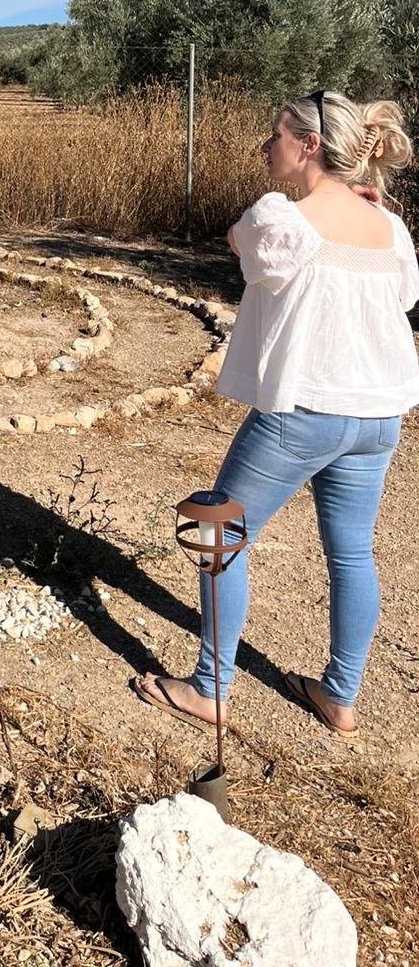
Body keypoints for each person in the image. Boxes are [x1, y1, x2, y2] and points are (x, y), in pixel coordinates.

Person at [136, 90, 418, 736]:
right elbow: (406, 294)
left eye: (276, 134)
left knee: (219, 529)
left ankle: (210, 688)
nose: (267, 146)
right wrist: (364, 206)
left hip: (306, 411)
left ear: (308, 145)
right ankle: (340, 695)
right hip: (378, 418)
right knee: (352, 554)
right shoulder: (391, 228)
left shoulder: (279, 217)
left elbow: (241, 243)